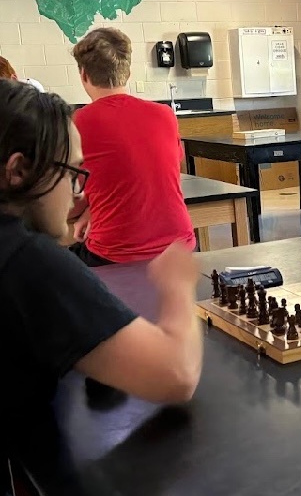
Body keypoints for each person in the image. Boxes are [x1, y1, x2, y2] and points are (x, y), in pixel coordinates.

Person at [0, 80, 203, 493]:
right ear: (19, 171)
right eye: (72, 174)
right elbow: (176, 374)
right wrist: (178, 283)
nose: (79, 193)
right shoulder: (27, 260)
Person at [69, 27, 195, 267]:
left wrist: (87, 210)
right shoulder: (165, 114)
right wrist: (94, 210)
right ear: (127, 74)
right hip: (180, 246)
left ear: (83, 75)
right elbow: (152, 176)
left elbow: (68, 199)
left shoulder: (80, 121)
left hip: (114, 254)